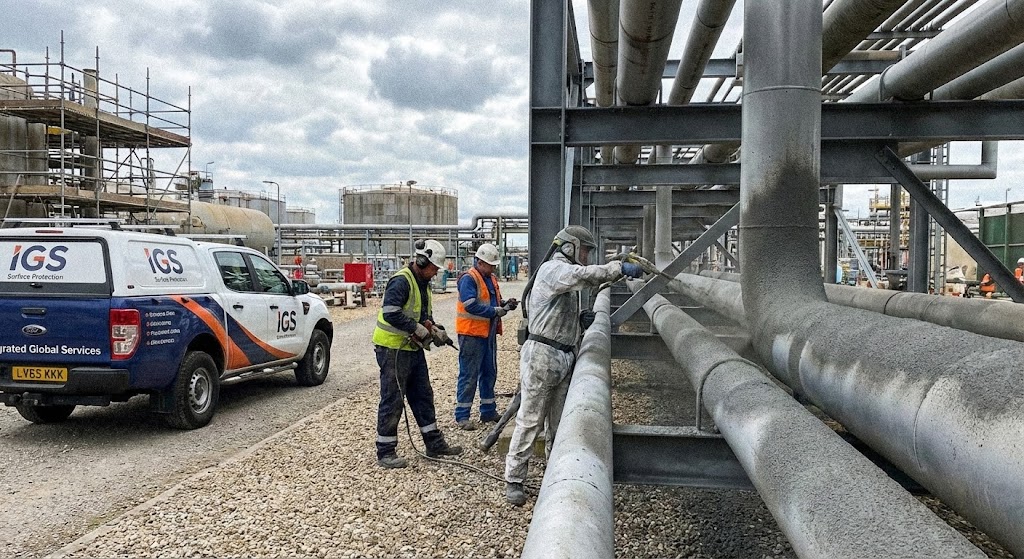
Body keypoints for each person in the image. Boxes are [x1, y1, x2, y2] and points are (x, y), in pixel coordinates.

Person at [504, 225, 643, 506]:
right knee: (531, 420)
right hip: (543, 354)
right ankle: (514, 478)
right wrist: (618, 267)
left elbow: (554, 308)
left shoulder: (562, 275)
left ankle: (556, 474)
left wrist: (579, 319)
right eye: (584, 250)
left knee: (558, 424)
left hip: (563, 354)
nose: (586, 257)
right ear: (568, 247)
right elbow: (580, 277)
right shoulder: (554, 269)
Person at [372, 239, 463, 469]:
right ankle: (385, 451)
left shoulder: (424, 283)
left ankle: (433, 442)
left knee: (423, 395)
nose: (435, 274)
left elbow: (422, 314)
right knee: (393, 399)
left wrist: (433, 328)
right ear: (422, 261)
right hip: (393, 348)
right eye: (434, 268)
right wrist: (416, 328)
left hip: (411, 349)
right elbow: (391, 312)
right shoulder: (402, 281)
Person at [453, 243, 516, 430]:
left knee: (489, 372)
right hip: (471, 333)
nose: (494, 267)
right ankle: (462, 416)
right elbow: (470, 305)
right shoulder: (469, 279)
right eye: (491, 264)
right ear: (480, 262)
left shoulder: (490, 278)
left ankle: (488, 410)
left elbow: (492, 301)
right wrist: (496, 310)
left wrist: (505, 304)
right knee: (469, 375)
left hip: (487, 333)